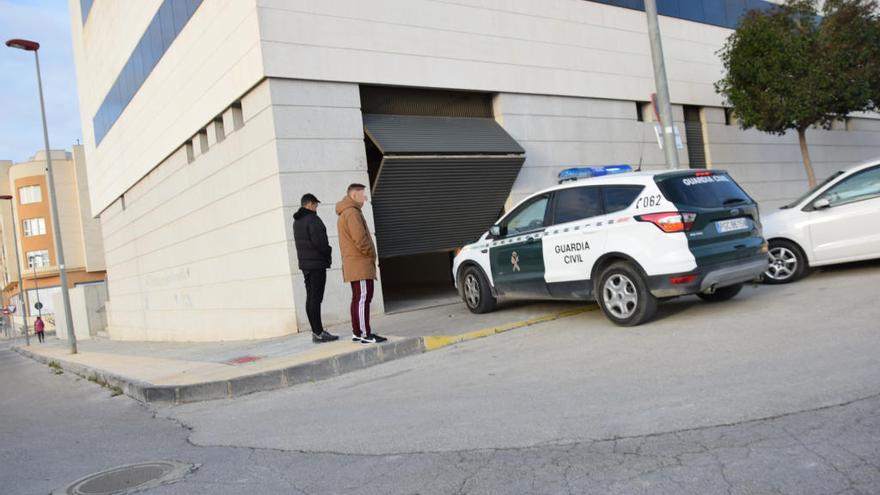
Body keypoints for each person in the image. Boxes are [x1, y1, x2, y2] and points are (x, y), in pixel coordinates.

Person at [336, 184, 386, 344]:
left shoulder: (348, 211)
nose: (365, 198)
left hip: (355, 262)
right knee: (363, 298)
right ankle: (364, 334)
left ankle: (357, 332)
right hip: (359, 262)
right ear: (354, 195)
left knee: (358, 298)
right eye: (363, 194)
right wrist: (371, 253)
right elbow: (360, 239)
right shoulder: (351, 213)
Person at [293, 193, 339, 344]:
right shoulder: (312, 219)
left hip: (306, 265)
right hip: (316, 264)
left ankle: (316, 331)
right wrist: (328, 251)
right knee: (316, 298)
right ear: (310, 204)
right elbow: (319, 242)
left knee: (311, 297)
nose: (317, 207)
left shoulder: (297, 221)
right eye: (316, 204)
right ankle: (318, 333)